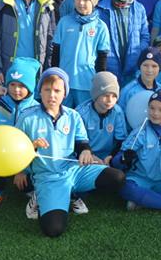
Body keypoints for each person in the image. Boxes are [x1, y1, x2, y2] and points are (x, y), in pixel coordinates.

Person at [17, 68, 126, 237]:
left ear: (65, 94)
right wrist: (30, 151)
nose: (52, 95)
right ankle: (44, 195)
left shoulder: (73, 116)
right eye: (47, 90)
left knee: (117, 177)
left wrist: (85, 152)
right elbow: (15, 149)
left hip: (74, 171)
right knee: (53, 229)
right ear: (40, 91)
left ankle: (71, 193)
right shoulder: (27, 118)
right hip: (49, 177)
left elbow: (81, 142)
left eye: (57, 91)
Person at [0, 58, 41, 210]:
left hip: (25, 157)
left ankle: (30, 186)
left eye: (21, 85)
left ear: (31, 87)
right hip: (1, 151)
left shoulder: (36, 109)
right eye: (12, 84)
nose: (16, 89)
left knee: (25, 185)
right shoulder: (0, 104)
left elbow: (36, 142)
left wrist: (22, 169)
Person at [52, 0, 110, 107]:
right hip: (64, 83)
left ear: (94, 1)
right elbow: (56, 53)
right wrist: (55, 77)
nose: (81, 3)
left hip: (86, 84)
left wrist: (99, 83)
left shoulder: (100, 27)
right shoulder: (64, 22)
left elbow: (102, 61)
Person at [98, 0, 150, 82]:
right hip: (109, 66)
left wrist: (138, 52)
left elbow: (144, 36)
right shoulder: (101, 8)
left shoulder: (139, 9)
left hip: (132, 66)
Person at [76, 72, 129, 165]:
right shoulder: (81, 113)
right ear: (96, 95)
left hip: (107, 158)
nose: (110, 100)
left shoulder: (117, 112)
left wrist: (112, 156)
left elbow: (120, 141)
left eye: (114, 96)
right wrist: (90, 155)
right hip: (87, 157)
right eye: (106, 95)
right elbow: (77, 141)